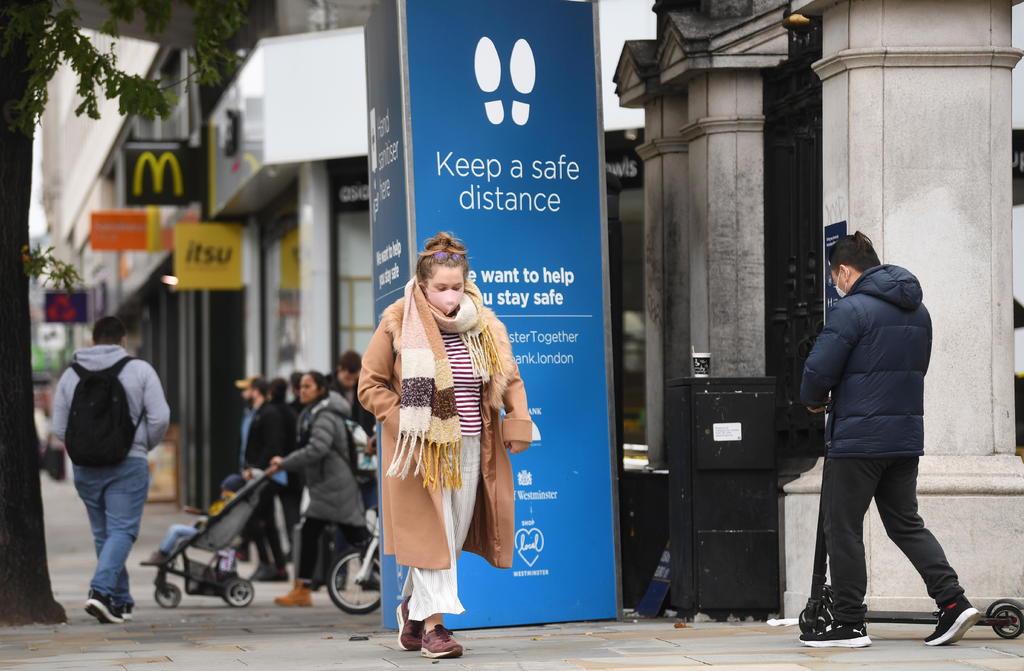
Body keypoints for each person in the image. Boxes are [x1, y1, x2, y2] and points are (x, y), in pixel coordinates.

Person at [799, 232, 978, 649]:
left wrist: (812, 401)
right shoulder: (919, 312)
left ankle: (848, 622)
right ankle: (953, 602)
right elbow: (919, 368)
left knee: (841, 527)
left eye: (834, 277)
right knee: (904, 523)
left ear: (844, 270)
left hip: (858, 441)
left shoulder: (851, 310)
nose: (836, 285)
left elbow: (818, 370)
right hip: (904, 438)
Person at [359, 232, 533, 659]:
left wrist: (519, 419)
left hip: (474, 445)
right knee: (433, 535)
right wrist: (407, 423)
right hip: (422, 452)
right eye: (441, 287)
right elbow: (370, 385)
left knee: (449, 537)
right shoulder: (398, 320)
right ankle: (436, 629)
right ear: (422, 285)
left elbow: (508, 377)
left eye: (457, 286)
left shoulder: (485, 325)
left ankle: (412, 612)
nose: (450, 295)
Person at [51, 316, 170, 624]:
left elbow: (59, 426)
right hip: (127, 462)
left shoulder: (70, 375)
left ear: (92, 341)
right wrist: (140, 444)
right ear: (122, 341)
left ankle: (121, 601)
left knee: (105, 534)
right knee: (122, 531)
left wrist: (85, 449)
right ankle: (101, 592)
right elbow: (160, 418)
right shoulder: (140, 370)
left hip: (86, 466)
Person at [266, 371, 367, 607]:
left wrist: (284, 462)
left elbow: (317, 449)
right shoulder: (316, 412)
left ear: (321, 389)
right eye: (301, 386)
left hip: (334, 485)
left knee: (320, 531)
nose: (302, 390)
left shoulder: (324, 415)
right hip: (329, 485)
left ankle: (302, 589)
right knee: (349, 532)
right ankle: (302, 588)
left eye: (308, 386)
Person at [140, 474, 246, 565]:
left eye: (224, 489)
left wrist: (204, 518)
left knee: (175, 529)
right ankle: (164, 554)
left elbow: (215, 516)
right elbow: (215, 515)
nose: (222, 492)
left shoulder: (228, 501)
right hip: (209, 531)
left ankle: (162, 554)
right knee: (180, 530)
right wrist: (200, 513)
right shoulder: (231, 503)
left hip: (207, 534)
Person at [242, 377, 289, 581]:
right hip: (260, 475)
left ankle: (267, 563)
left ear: (256, 391)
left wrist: (255, 469)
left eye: (248, 390)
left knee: (253, 519)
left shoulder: (268, 414)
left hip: (266, 476)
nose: (245, 394)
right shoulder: (258, 413)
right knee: (267, 522)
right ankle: (278, 567)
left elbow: (272, 445)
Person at [332, 350, 380, 511]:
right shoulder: (329, 391)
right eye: (347, 378)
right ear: (340, 369)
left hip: (362, 451)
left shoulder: (362, 387)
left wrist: (370, 439)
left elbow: (368, 418)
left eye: (354, 379)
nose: (351, 382)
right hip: (341, 453)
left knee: (368, 496)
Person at [269, 376, 303, 555]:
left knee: (289, 513)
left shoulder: (277, 413)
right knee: (294, 513)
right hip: (295, 470)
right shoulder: (292, 413)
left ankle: (293, 549)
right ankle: (294, 547)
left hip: (285, 469)